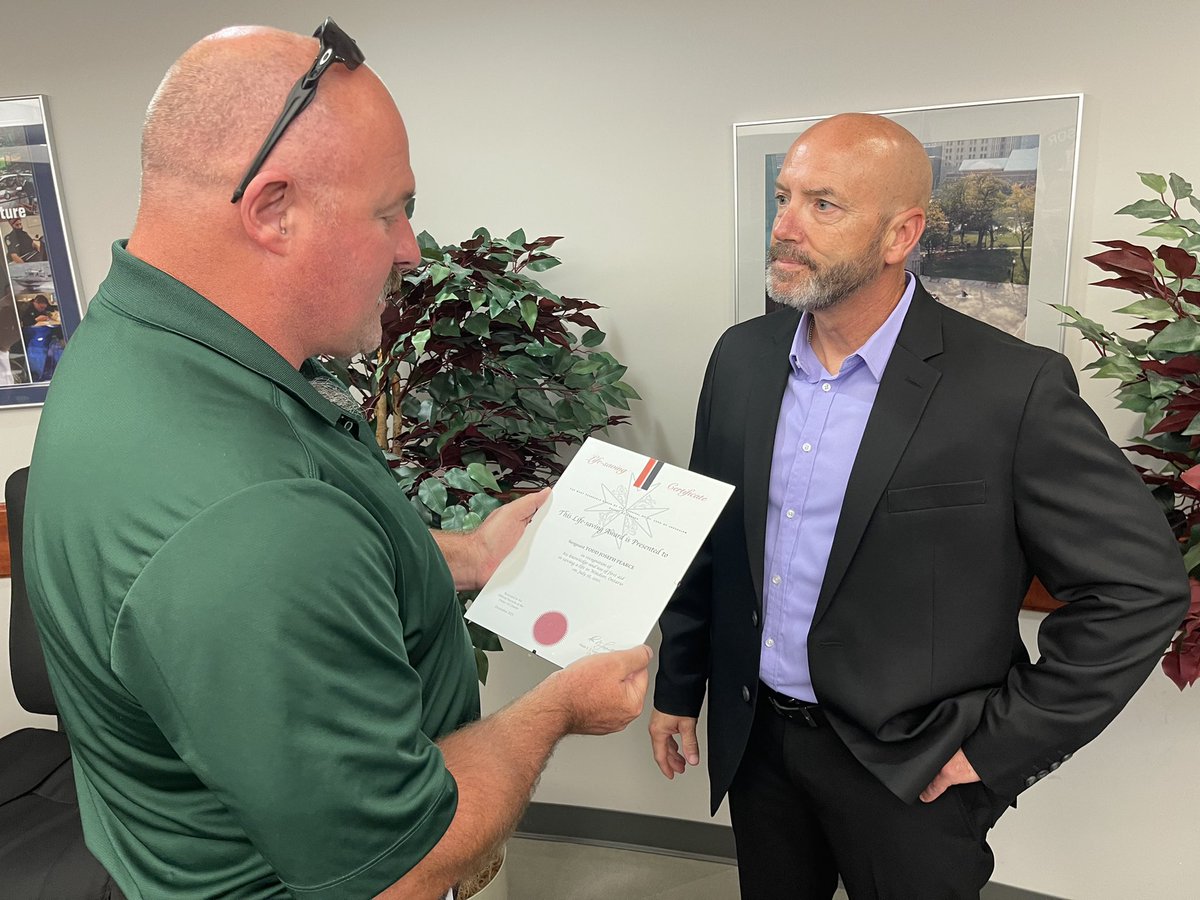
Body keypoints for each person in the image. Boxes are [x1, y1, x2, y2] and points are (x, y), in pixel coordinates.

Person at [25, 22, 650, 900]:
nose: (411, 249)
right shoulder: (248, 517)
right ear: (272, 209)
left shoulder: (139, 342)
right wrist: (556, 711)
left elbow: (325, 562)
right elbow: (398, 870)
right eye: (389, 211)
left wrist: (470, 555)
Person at [649, 113, 1189, 899]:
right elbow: (715, 541)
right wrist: (679, 686)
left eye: (823, 205)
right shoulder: (741, 359)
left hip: (915, 770)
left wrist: (997, 752)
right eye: (783, 197)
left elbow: (1140, 589)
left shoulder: (1012, 388)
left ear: (901, 233)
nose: (786, 227)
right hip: (759, 743)